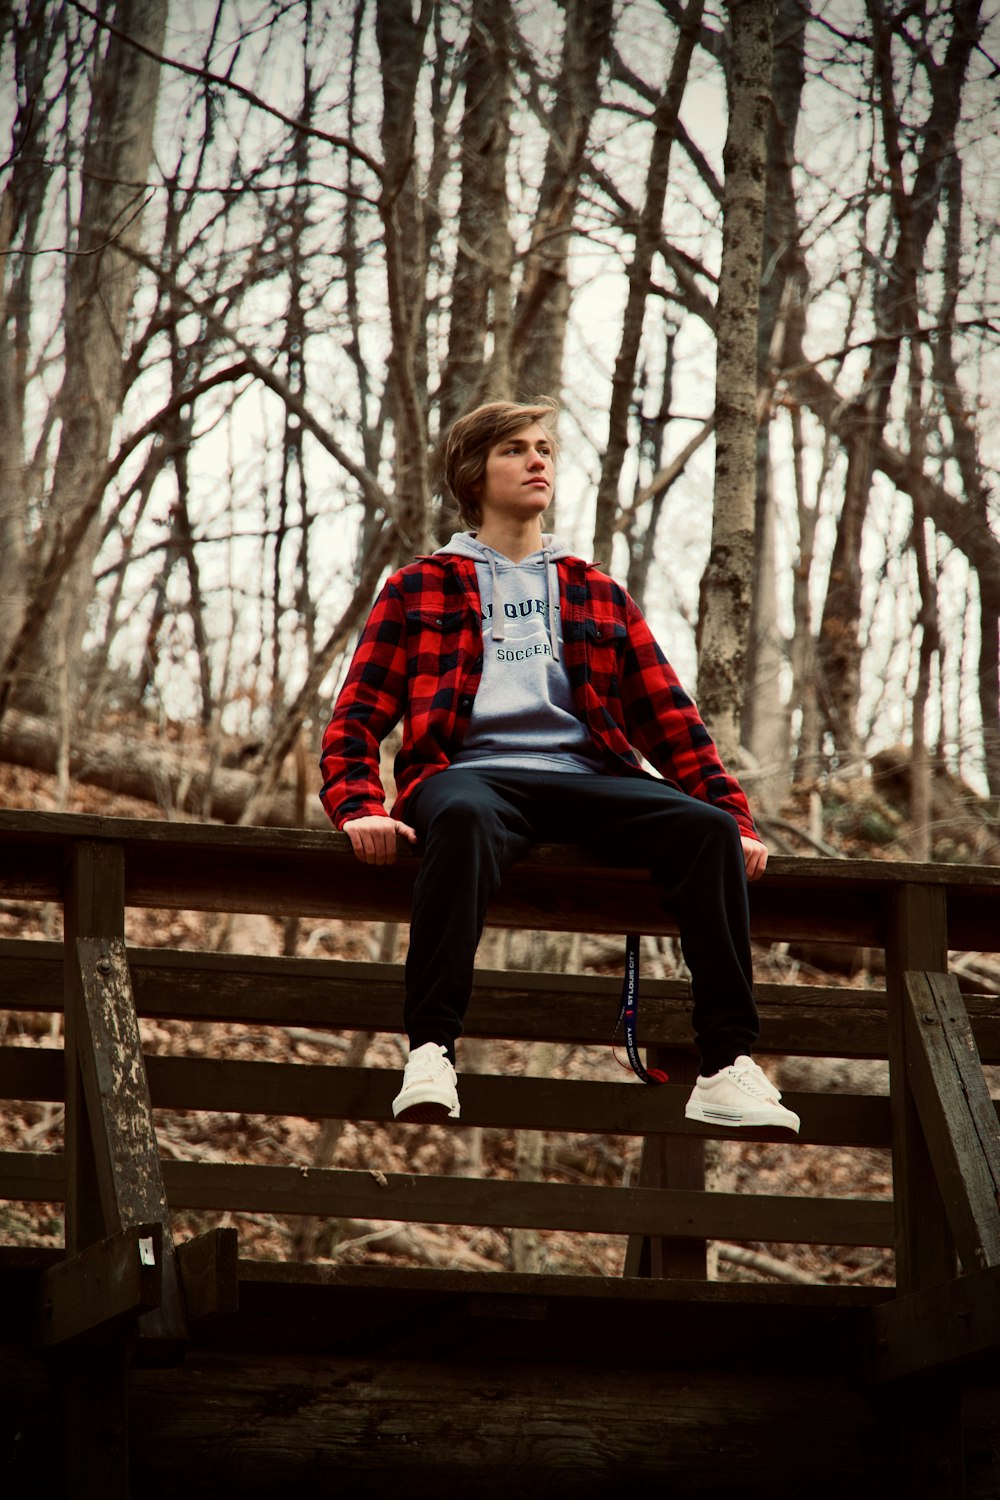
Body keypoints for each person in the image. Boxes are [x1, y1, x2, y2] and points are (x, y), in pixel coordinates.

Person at [319, 398, 799, 1134]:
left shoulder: (594, 590)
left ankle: (726, 1067)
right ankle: (431, 1050)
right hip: (472, 775)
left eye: (544, 447)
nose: (537, 459)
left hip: (591, 778)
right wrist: (360, 805)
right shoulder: (420, 586)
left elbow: (671, 723)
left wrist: (734, 819)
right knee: (464, 815)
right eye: (515, 448)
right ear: (474, 473)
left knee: (704, 832)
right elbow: (358, 714)